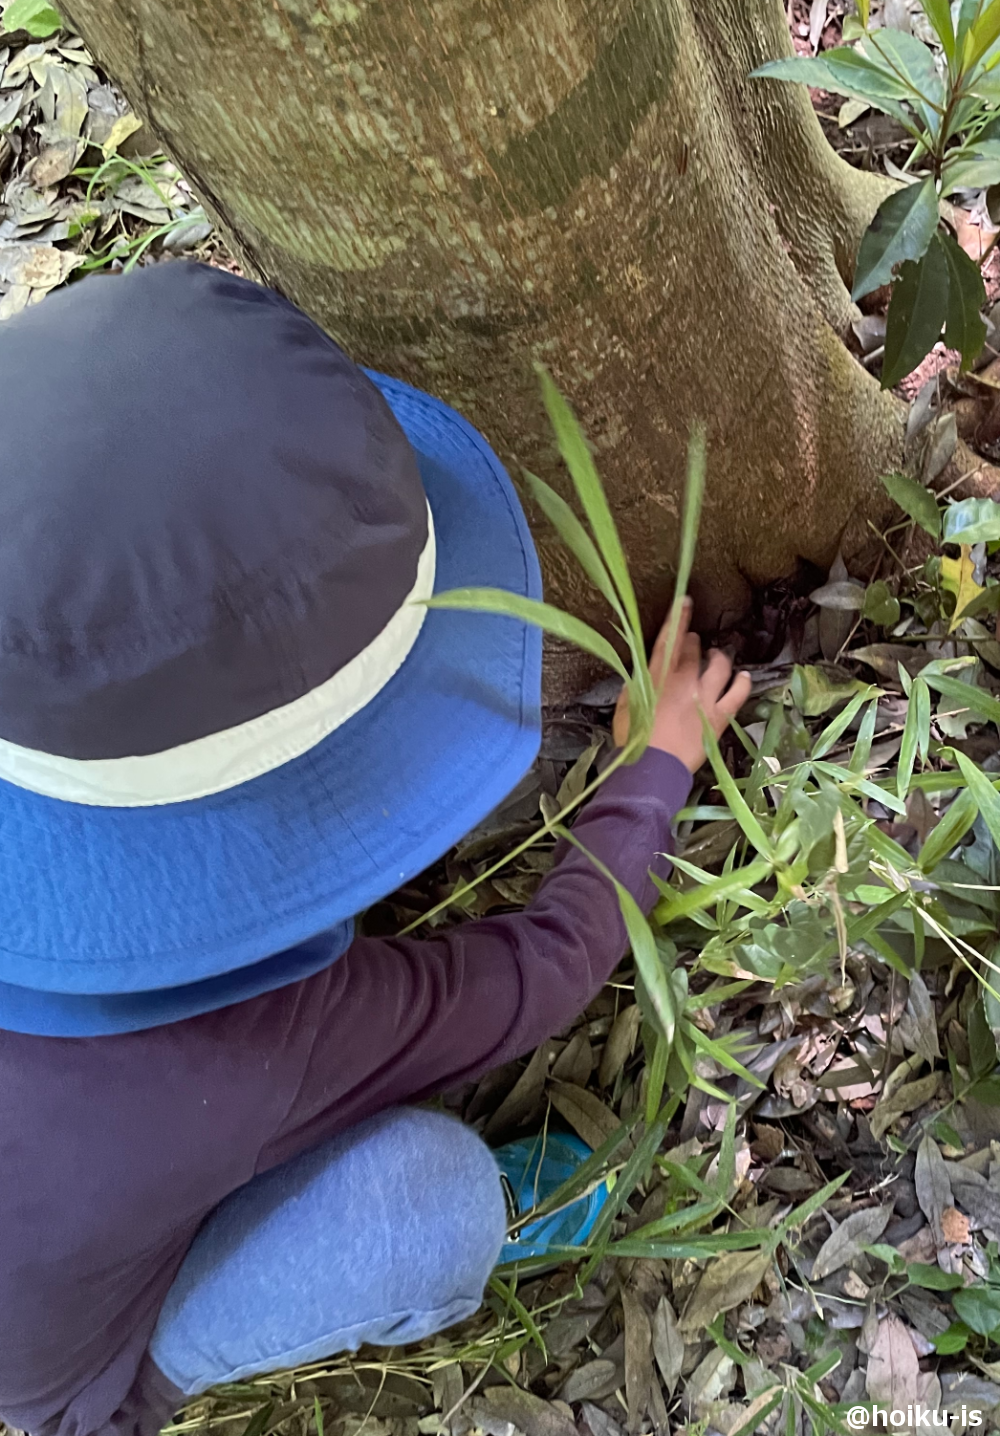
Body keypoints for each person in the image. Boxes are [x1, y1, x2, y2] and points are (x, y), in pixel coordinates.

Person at [0, 262, 751, 1436]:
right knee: (429, 1202)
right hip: (81, 1377)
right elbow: (538, 972)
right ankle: (503, 1215)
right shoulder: (256, 1038)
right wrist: (654, 767)